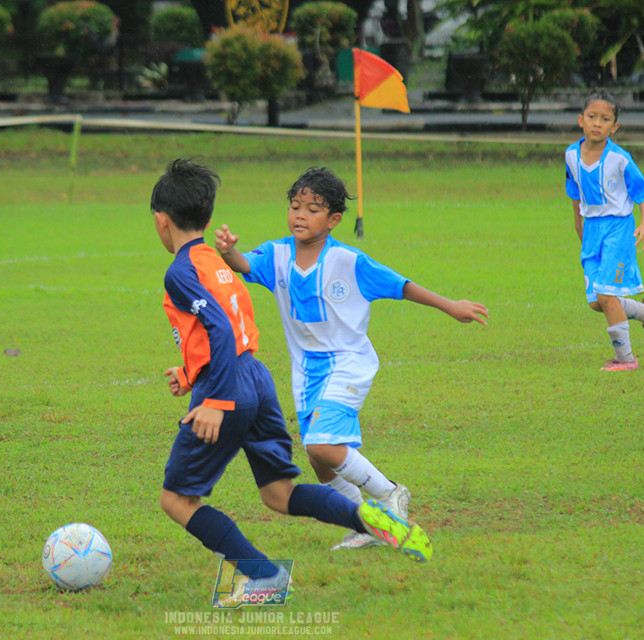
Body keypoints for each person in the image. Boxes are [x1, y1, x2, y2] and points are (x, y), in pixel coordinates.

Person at [152, 158, 431, 596]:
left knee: (177, 500)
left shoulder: (181, 271)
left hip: (225, 390)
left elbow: (222, 330)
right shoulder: (216, 262)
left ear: (161, 220)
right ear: (205, 218)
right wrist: (189, 372)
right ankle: (369, 519)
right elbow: (234, 325)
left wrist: (212, 399)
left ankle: (265, 578)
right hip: (256, 381)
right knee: (278, 494)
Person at [215, 166, 489, 551]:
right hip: (307, 372)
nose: (300, 215)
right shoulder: (277, 254)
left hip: (348, 364)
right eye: (295, 206)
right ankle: (366, 525)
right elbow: (245, 265)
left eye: (312, 209)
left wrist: (450, 306)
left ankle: (390, 494)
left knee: (325, 446)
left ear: (333, 220)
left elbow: (401, 286)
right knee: (318, 458)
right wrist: (229, 252)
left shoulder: (349, 260)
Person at [565, 89, 644, 372]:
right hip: (592, 228)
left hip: (618, 228)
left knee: (607, 296)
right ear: (580, 120)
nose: (598, 123)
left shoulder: (620, 159)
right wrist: (578, 224)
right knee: (597, 302)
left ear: (614, 127)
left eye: (605, 119)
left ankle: (626, 359)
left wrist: (643, 224)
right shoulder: (571, 154)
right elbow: (575, 192)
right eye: (592, 117)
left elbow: (642, 194)